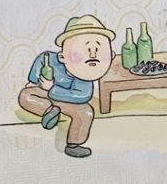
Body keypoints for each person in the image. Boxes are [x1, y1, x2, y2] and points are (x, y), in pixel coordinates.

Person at [18, 14, 116, 158]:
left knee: (86, 113)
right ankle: (49, 112)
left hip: (70, 102)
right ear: (61, 56)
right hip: (47, 97)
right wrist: (33, 80)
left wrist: (52, 89)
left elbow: (82, 96)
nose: (92, 54)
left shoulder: (85, 78)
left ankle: (74, 144)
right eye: (85, 49)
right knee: (25, 95)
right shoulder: (51, 60)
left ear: (111, 55)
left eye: (98, 50)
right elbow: (42, 59)